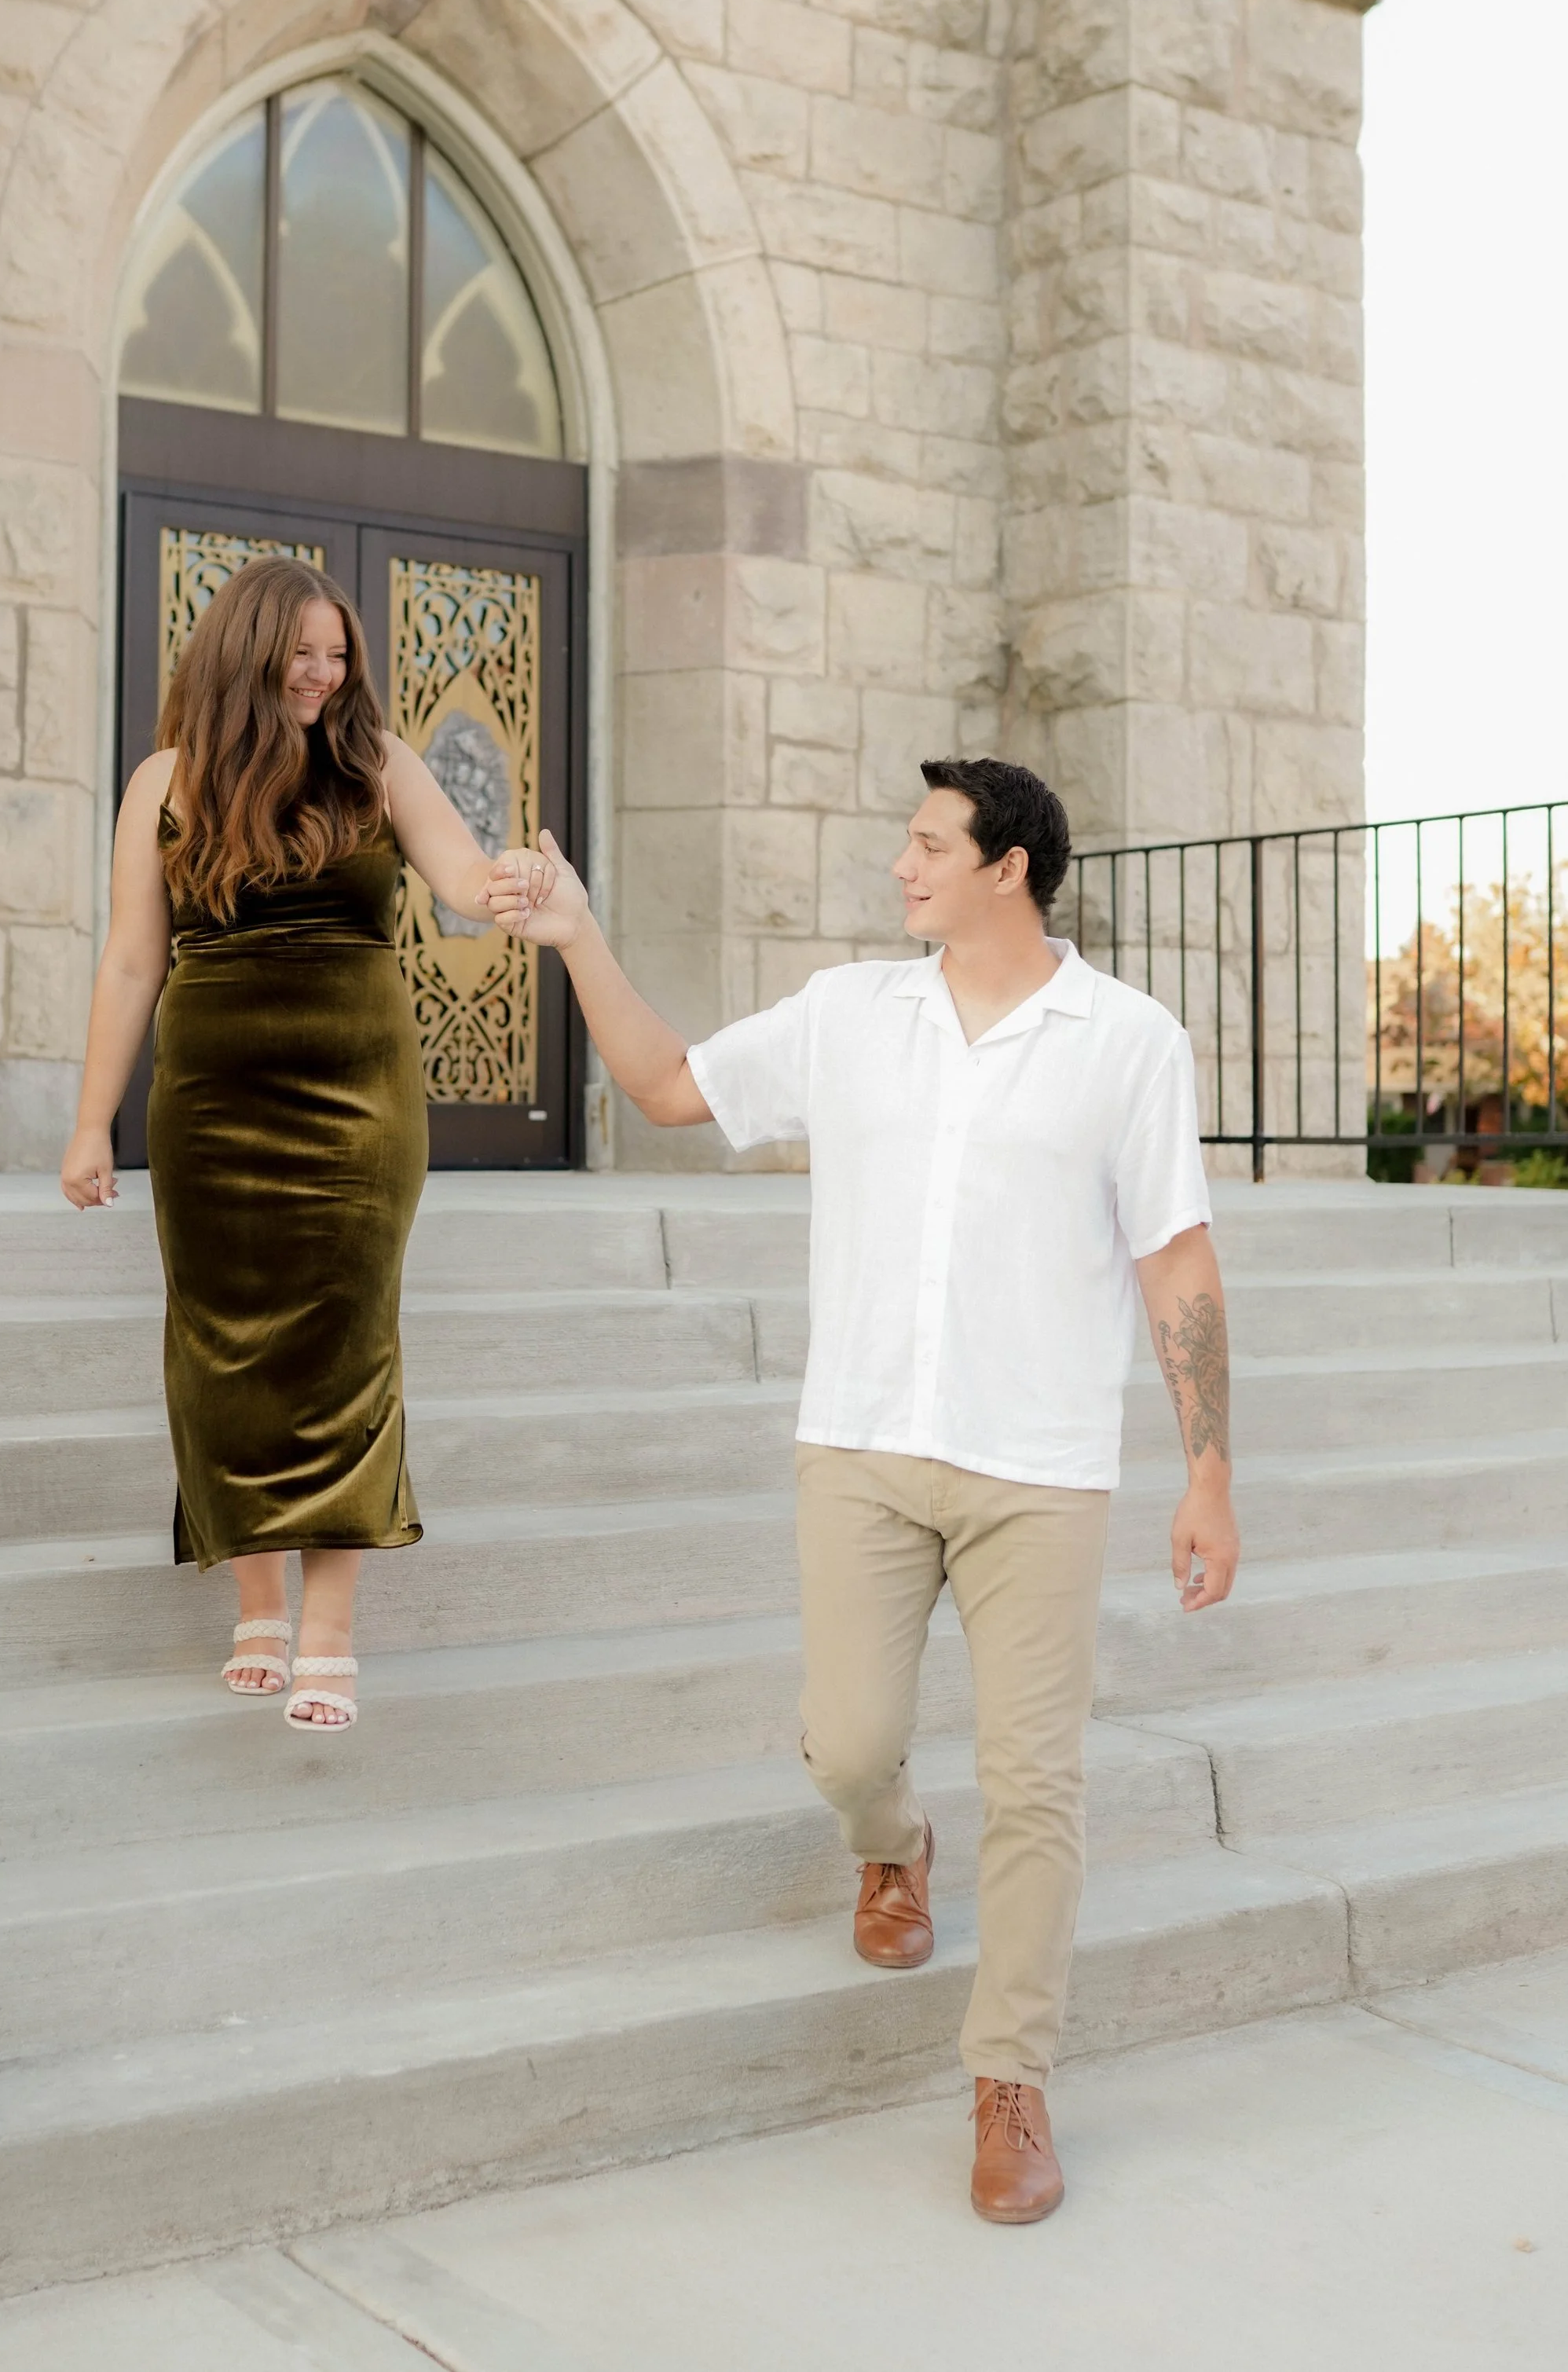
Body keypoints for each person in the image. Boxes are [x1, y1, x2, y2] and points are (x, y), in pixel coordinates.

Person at [485, 758, 1238, 2221]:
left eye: (926, 845)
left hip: (1041, 1467)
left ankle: (1009, 2082)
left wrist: (1209, 1471)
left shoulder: (1130, 1044)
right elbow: (662, 1086)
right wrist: (577, 932)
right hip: (864, 1449)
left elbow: (1178, 1262)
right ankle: (891, 1851)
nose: (901, 868)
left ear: (1008, 867)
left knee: (1040, 1786)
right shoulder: (848, 1015)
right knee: (846, 1746)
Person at [61, 555, 521, 1732]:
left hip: (360, 1100)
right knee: (220, 1348)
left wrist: (514, 880)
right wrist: (89, 1123)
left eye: (339, 654)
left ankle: (329, 1629)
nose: (324, 674)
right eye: (304, 652)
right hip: (212, 1102)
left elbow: (463, 876)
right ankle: (256, 1604)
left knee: (346, 1344)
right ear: (246, 651)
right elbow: (128, 960)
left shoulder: (377, 766)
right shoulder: (166, 782)